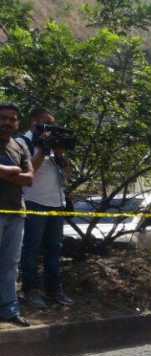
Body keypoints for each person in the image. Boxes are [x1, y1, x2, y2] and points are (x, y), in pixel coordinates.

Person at [19, 108, 74, 309]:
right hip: (34, 202)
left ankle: (54, 290)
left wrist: (59, 155)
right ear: (34, 121)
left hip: (56, 204)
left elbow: (67, 175)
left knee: (54, 249)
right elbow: (27, 173)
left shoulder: (53, 147)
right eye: (46, 123)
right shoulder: (23, 142)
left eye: (52, 124)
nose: (50, 129)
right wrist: (43, 148)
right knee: (32, 249)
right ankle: (30, 290)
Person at [0, 104, 33, 327]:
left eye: (12, 119)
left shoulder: (20, 145)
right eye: (3, 118)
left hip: (16, 211)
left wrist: (6, 172)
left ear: (18, 123)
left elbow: (30, 178)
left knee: (11, 263)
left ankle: (9, 309)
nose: (7, 122)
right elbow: (21, 175)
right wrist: (13, 172)